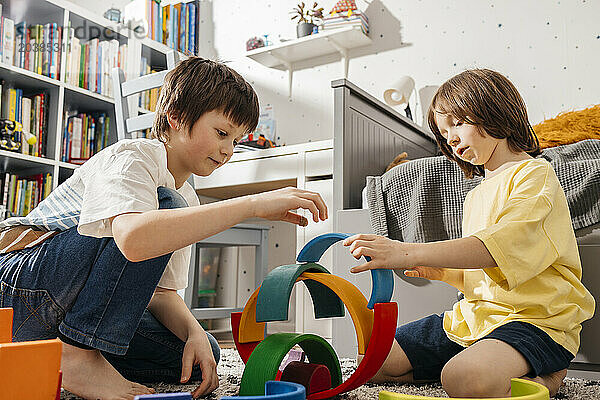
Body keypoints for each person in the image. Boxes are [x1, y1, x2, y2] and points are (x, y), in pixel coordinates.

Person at [0, 57, 328, 400]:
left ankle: (68, 351)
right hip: (18, 291)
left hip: (58, 313)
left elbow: (160, 292)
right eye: (221, 133)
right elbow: (133, 238)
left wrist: (194, 332)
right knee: (165, 205)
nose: (228, 150)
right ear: (176, 116)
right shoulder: (133, 157)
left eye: (236, 139)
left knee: (203, 353)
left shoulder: (185, 194)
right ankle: (78, 354)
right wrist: (252, 204)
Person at [343, 69, 595, 398]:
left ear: (495, 110)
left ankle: (549, 374)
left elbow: (499, 248)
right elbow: (485, 275)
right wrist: (445, 273)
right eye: (445, 135)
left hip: (536, 321)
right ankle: (483, 359)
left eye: (458, 124)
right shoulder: (476, 193)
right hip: (474, 318)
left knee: (463, 379)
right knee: (373, 361)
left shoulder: (535, 175)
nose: (452, 139)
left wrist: (406, 251)